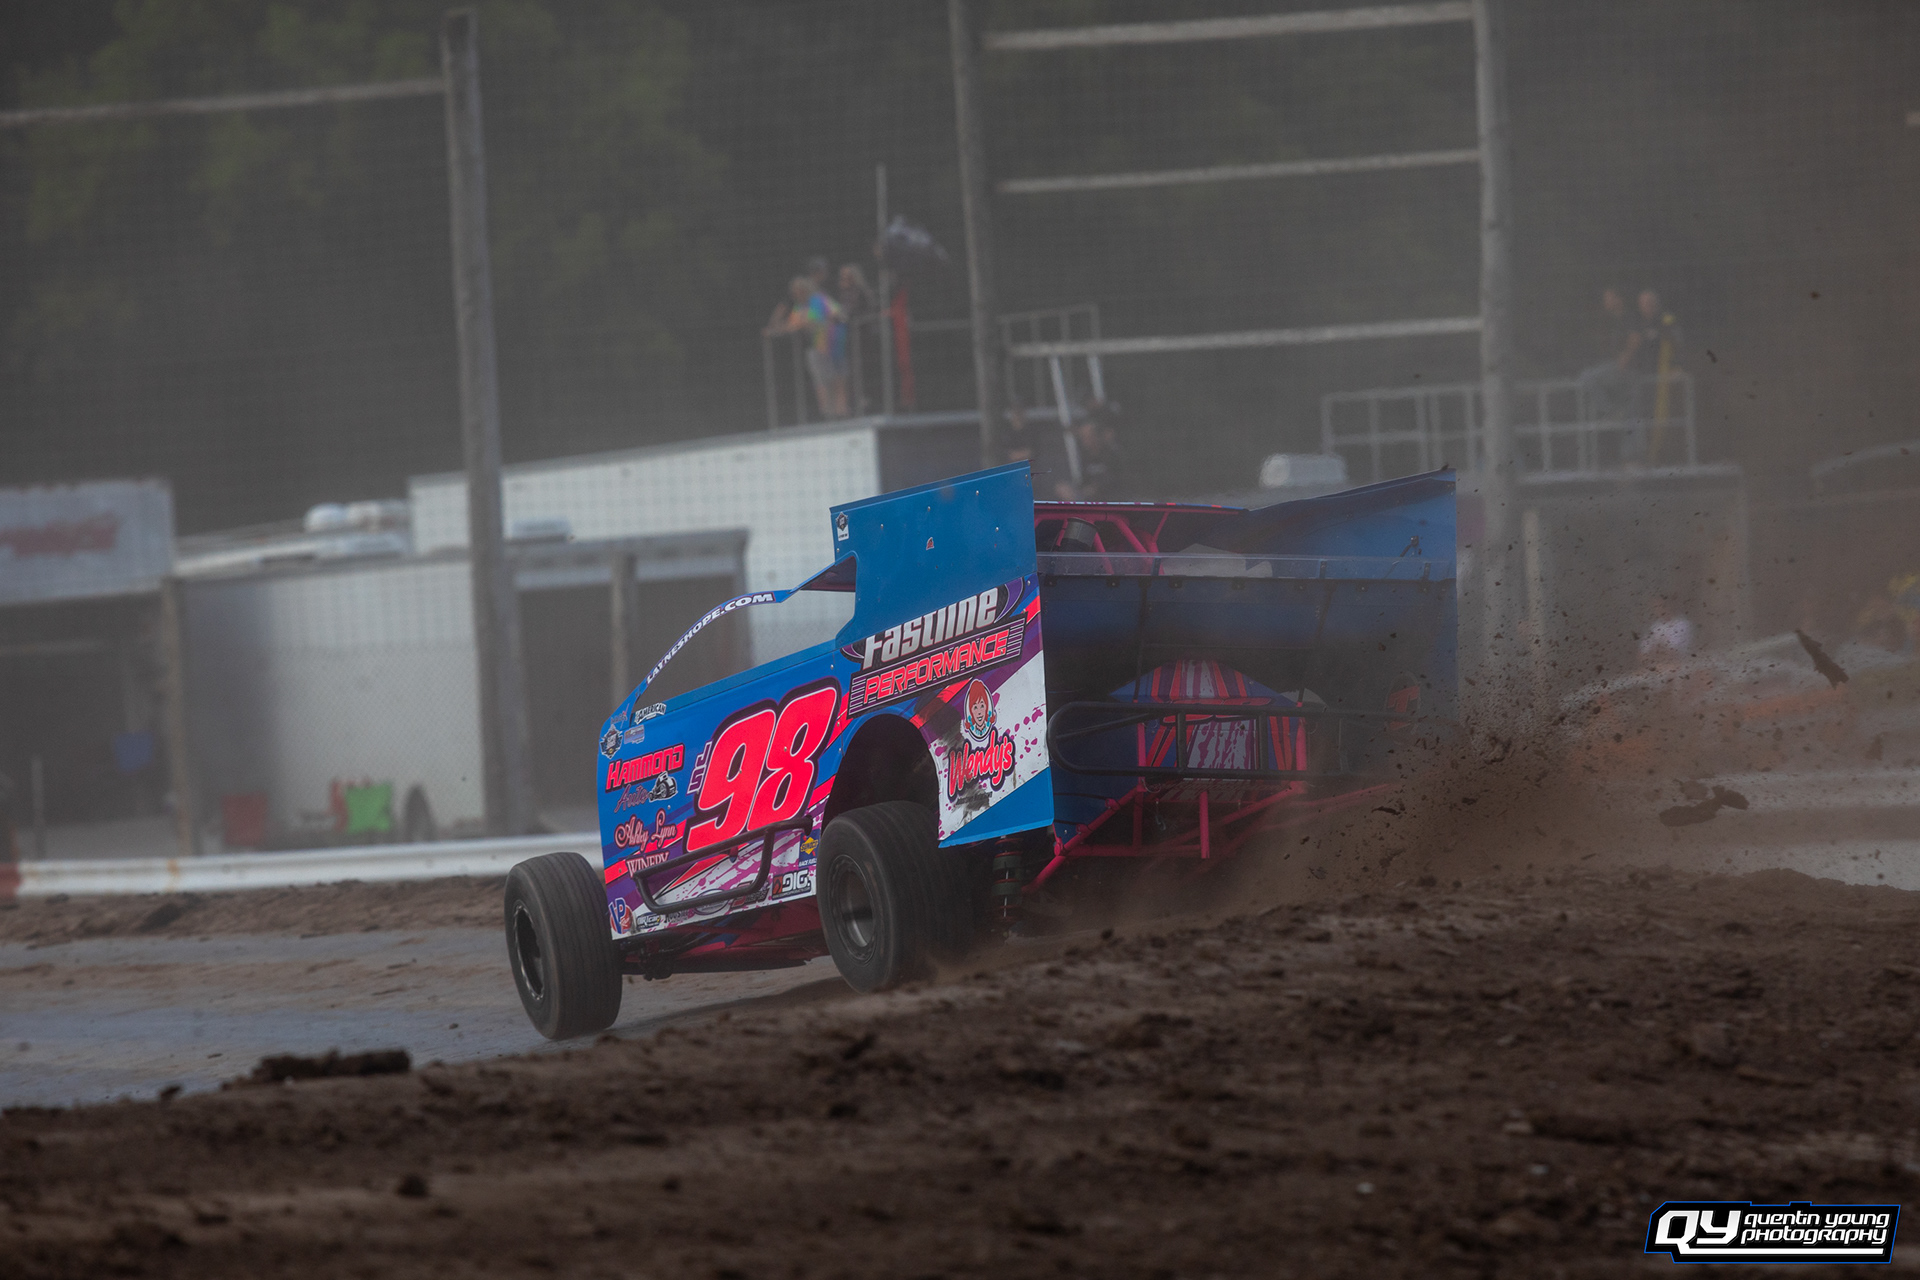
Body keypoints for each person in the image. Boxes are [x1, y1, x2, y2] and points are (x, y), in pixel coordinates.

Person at [873, 215, 950, 412]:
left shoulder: (911, 274)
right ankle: (907, 400)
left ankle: (915, 401)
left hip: (912, 327)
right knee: (902, 364)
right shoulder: (900, 276)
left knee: (912, 363)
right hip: (902, 326)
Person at [764, 275, 847, 418]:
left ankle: (840, 410)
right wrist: (774, 329)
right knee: (822, 379)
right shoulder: (800, 306)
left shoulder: (818, 300)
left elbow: (812, 321)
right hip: (816, 347)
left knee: (835, 378)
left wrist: (783, 328)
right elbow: (793, 325)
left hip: (830, 344)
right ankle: (828, 411)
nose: (795, 295)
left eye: (798, 291)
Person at [1577, 286, 1634, 425]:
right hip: (1617, 369)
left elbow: (1635, 338)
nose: (1605, 302)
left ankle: (1610, 410)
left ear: (1618, 299)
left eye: (1608, 298)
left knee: (1586, 377)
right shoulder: (1612, 321)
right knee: (1630, 416)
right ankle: (1613, 411)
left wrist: (1626, 355)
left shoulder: (1628, 317)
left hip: (1627, 369)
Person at [1000, 402, 1076, 500]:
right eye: (1015, 413)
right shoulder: (1007, 434)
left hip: (1035, 471)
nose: (1018, 416)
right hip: (1015, 474)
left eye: (1020, 413)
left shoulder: (1031, 432)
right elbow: (1010, 455)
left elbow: (1031, 452)